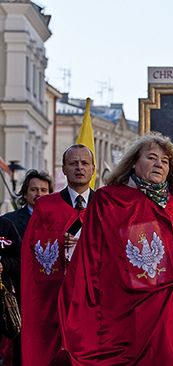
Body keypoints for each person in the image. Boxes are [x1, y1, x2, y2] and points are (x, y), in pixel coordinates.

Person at [58, 133, 173, 365]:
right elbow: (95, 251)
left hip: (169, 302)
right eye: (152, 157)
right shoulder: (109, 199)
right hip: (124, 306)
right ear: (134, 163)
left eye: (165, 161)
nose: (159, 163)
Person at [20, 145, 95, 366]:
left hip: (93, 298)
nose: (79, 167)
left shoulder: (105, 205)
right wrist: (58, 243)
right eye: (73, 163)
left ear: (93, 169)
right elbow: (32, 251)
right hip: (54, 296)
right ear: (64, 169)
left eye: (84, 163)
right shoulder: (46, 206)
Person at [0, 170, 53, 365]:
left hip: (49, 291)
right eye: (34, 189)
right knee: (22, 343)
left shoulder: (59, 219)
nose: (39, 194)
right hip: (18, 292)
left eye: (43, 190)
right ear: (25, 193)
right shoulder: (9, 221)